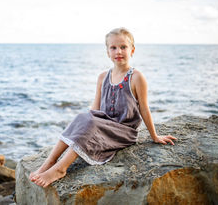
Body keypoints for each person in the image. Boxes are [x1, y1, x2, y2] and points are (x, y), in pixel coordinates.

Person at [30, 27, 177, 188]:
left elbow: (144, 109)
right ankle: (51, 160)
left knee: (90, 123)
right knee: (83, 117)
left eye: (123, 47)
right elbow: (95, 109)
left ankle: (60, 168)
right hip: (104, 125)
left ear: (132, 50)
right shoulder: (102, 77)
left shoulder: (136, 77)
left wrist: (154, 136)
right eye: (113, 48)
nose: (118, 51)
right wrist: (85, 123)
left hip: (123, 132)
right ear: (107, 52)